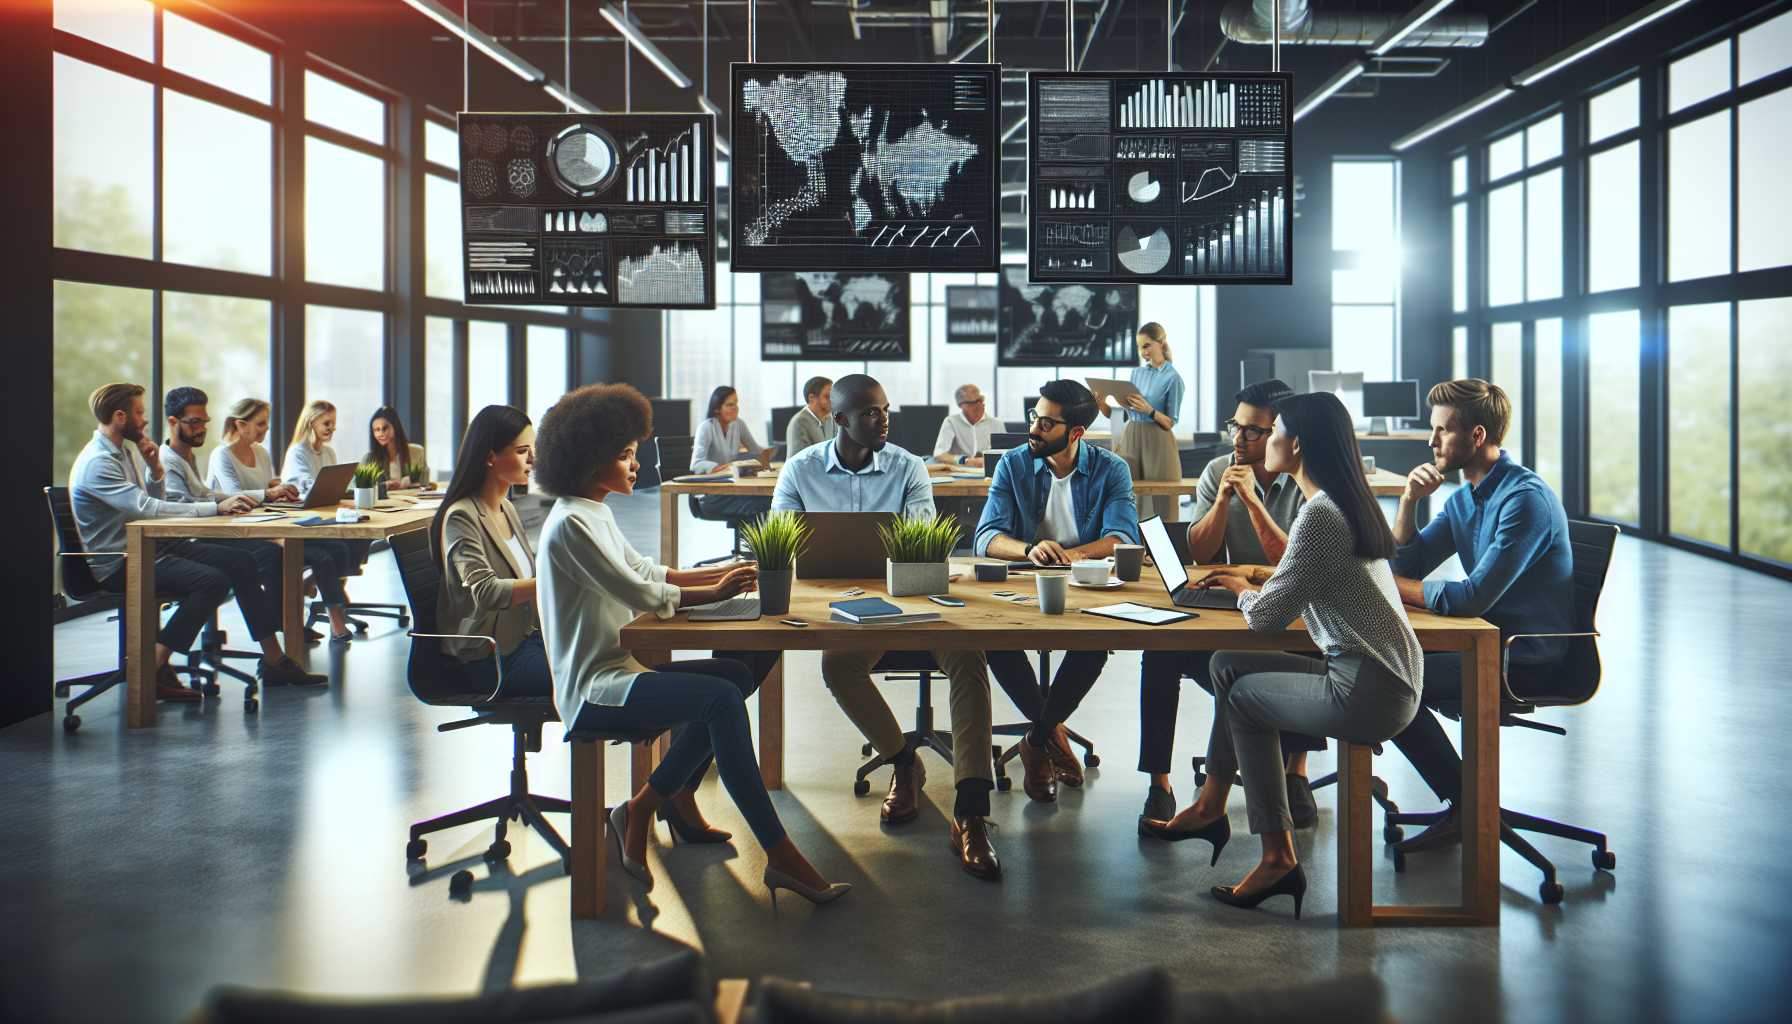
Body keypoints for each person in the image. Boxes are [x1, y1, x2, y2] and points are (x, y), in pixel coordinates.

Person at [534, 382, 848, 906]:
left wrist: (723, 571)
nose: (636, 465)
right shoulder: (570, 524)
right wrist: (711, 593)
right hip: (594, 687)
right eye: (625, 455)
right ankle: (779, 852)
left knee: (736, 676)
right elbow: (638, 591)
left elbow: (648, 569)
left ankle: (641, 807)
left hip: (620, 669)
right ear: (588, 460)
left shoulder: (594, 512)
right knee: (720, 698)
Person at [1139, 392, 1423, 920]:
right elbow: (1293, 586)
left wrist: (1241, 591)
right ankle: (1208, 807)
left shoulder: (1320, 516)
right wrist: (1251, 586)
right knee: (1227, 663)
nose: (1260, 441)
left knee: (1244, 697)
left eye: (1271, 434)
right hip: (1378, 673)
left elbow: (1266, 617)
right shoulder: (1341, 501)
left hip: (1369, 687)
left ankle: (1278, 858)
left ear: (1296, 445)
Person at [771, 373, 1000, 882]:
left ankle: (971, 810)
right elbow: (780, 543)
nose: (883, 419)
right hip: (847, 611)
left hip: (915, 600)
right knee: (837, 665)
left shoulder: (908, 466)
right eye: (871, 412)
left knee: (969, 655)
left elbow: (921, 541)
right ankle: (902, 761)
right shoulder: (801, 470)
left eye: (885, 410)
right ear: (840, 420)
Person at [1386, 379, 1574, 853]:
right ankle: (1469, 805)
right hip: (1483, 639)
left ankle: (1469, 808)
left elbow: (1470, 598)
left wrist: (1386, 587)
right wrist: (1408, 501)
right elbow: (1406, 564)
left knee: (1390, 680)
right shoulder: (1464, 498)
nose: (1431, 442)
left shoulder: (1523, 499)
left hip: (1524, 654)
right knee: (1383, 665)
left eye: (1442, 431)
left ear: (1476, 436)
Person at [1136, 378, 1319, 825]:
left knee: (1302, 643)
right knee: (1160, 651)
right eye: (1235, 426)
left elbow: (1300, 566)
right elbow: (1200, 552)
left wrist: (1253, 505)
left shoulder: (1307, 480)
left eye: (1253, 430)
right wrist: (1222, 501)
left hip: (1290, 610)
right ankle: (1159, 782)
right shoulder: (1220, 469)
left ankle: (1297, 771)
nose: (1239, 438)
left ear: (1282, 432)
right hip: (1238, 604)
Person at [69, 383, 323, 700]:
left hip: (152, 546)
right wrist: (215, 507)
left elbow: (149, 503)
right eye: (139, 412)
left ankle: (274, 660)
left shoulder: (122, 451)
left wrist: (154, 471)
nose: (145, 420)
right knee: (212, 582)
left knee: (241, 562)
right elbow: (147, 509)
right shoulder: (99, 462)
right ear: (120, 416)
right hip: (123, 559)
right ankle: (150, 669)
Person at [974, 380, 1137, 802]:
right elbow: (987, 536)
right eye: (1035, 417)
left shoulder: (1110, 469)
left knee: (1095, 644)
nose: (1035, 428)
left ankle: (1037, 740)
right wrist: (1031, 550)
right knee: (994, 640)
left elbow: (1121, 534)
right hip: (1025, 581)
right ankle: (1051, 736)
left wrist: (1071, 555)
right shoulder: (1013, 464)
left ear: (1076, 432)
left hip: (1085, 585)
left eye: (1047, 423)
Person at [163, 388, 355, 647]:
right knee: (276, 553)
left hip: (259, 522)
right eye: (260, 424)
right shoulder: (218, 454)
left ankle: (289, 621)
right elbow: (230, 496)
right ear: (240, 425)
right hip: (228, 531)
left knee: (334, 547)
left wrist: (279, 489)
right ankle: (287, 623)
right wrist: (268, 492)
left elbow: (237, 491)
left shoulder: (259, 453)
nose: (265, 430)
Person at [280, 398, 370, 639]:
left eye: (334, 424)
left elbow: (330, 485)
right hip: (302, 522)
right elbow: (305, 488)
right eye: (327, 423)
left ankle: (318, 583)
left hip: (323, 515)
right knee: (331, 552)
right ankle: (336, 618)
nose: (332, 429)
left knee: (362, 535)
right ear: (311, 422)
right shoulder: (298, 452)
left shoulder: (328, 452)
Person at [1098, 322, 1184, 520]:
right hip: (1131, 435)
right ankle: (1131, 545)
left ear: (1160, 343)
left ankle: (1164, 548)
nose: (1142, 351)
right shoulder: (1137, 373)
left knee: (1161, 503)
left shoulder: (1173, 378)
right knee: (1128, 496)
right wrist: (1103, 403)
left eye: (1146, 345)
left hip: (1158, 439)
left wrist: (1149, 410)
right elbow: (1125, 414)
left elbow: (1170, 422)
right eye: (1139, 347)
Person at [691, 385, 774, 521]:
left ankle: (764, 541)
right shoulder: (706, 427)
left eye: (736, 404)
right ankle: (763, 542)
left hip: (733, 489)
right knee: (765, 503)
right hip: (711, 497)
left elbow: (756, 450)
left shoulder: (738, 424)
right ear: (717, 408)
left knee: (770, 499)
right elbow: (696, 464)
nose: (735, 408)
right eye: (730, 405)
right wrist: (724, 467)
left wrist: (771, 452)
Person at [932, 383, 997, 467]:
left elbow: (1006, 454)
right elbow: (939, 454)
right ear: (960, 405)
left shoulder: (996, 423)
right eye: (972, 402)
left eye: (980, 400)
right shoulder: (951, 421)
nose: (979, 405)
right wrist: (965, 461)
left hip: (990, 471)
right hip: (960, 471)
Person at [365, 405, 429, 488]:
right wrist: (383, 486)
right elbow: (354, 488)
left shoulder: (417, 452)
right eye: (377, 430)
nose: (381, 433)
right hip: (384, 501)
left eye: (385, 428)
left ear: (395, 426)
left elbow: (425, 484)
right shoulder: (369, 458)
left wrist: (410, 484)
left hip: (411, 500)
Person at [785, 376, 835, 457]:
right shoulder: (799, 423)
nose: (832, 400)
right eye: (827, 396)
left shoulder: (831, 419)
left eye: (833, 396)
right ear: (811, 398)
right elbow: (799, 462)